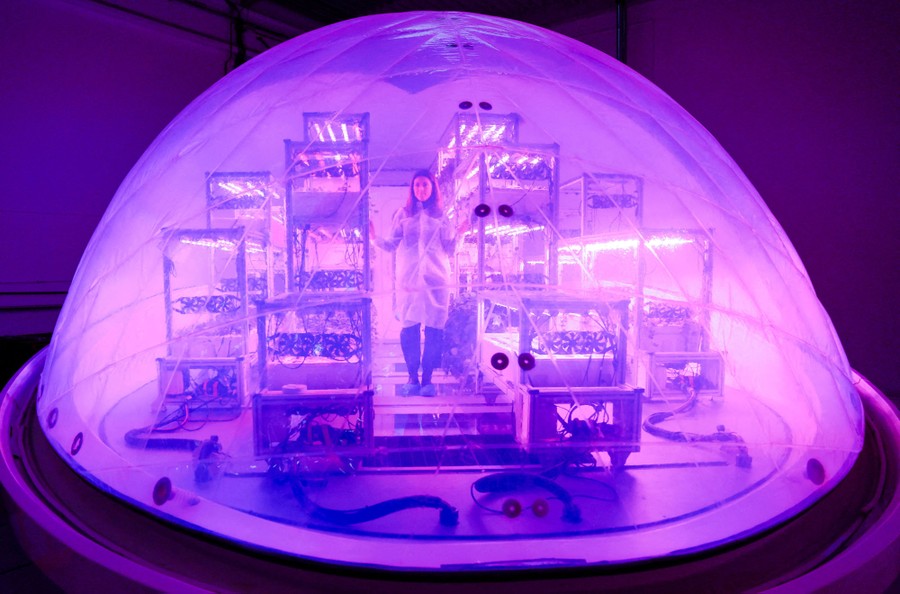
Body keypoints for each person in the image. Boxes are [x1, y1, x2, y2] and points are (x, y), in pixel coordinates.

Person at [372, 170, 458, 396]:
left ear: (433, 188)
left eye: (425, 185)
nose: (421, 189)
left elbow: (449, 248)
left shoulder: (441, 216)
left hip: (436, 280)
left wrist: (462, 233)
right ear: (412, 188)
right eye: (417, 185)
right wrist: (373, 237)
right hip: (408, 280)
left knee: (434, 330)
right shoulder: (402, 214)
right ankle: (412, 377)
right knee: (408, 329)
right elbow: (391, 244)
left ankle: (427, 379)